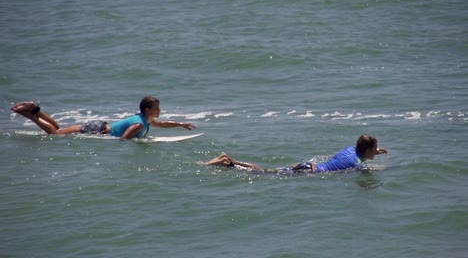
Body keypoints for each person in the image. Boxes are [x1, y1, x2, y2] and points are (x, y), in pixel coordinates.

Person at [10, 96, 198, 140]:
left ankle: (34, 110)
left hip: (99, 125)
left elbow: (162, 124)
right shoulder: (139, 124)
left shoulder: (144, 119)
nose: (159, 111)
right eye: (157, 108)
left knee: (58, 129)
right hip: (98, 130)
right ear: (148, 109)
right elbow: (125, 139)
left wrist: (181, 124)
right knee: (55, 133)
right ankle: (28, 113)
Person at [206, 134, 388, 173]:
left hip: (306, 166)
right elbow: (363, 168)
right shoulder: (357, 164)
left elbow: (360, 153)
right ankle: (227, 163)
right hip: (308, 172)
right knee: (264, 174)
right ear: (367, 150)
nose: (377, 151)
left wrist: (375, 152)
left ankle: (229, 160)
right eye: (375, 148)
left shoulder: (350, 149)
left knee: (267, 171)